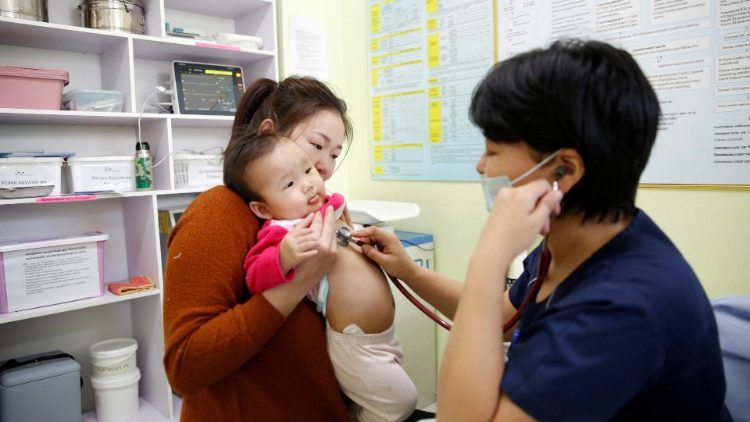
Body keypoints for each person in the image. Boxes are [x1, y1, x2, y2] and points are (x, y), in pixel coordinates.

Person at [354, 39, 729, 421]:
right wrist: (411, 272)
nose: (481, 167)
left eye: (493, 150)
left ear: (564, 170)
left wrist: (490, 255)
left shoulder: (621, 308)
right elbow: (500, 318)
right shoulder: (580, 242)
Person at [163, 76, 354, 421]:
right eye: (317, 145)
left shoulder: (316, 211)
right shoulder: (217, 213)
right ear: (267, 134)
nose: (326, 165)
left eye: (335, 154)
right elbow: (184, 366)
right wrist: (296, 283)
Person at [237, 130, 418, 422]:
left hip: (382, 337)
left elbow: (335, 200)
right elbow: (254, 276)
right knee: (400, 403)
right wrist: (284, 256)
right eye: (290, 184)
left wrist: (337, 207)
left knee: (390, 398)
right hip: (354, 344)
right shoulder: (281, 231)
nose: (309, 184)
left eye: (307, 170)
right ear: (263, 208)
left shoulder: (321, 208)